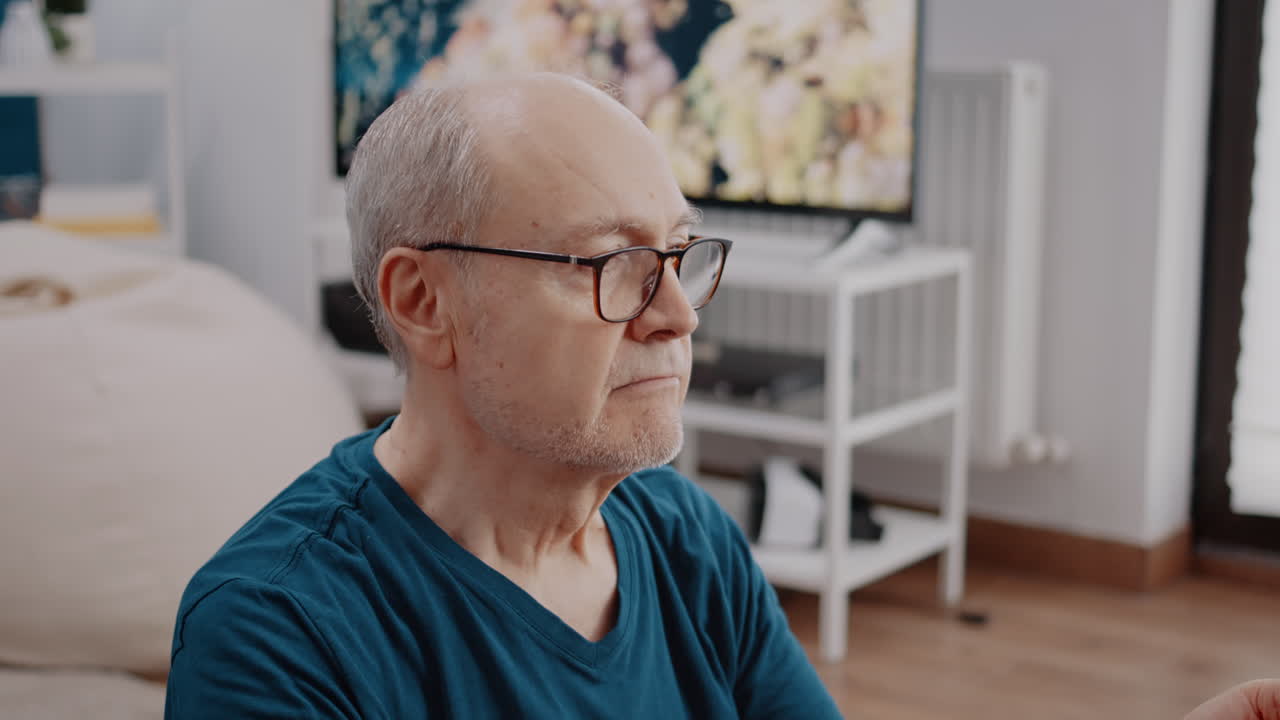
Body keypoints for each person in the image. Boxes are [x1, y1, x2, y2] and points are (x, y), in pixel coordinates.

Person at [164, 72, 843, 718]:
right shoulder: (277, 634)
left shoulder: (686, 537)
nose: (678, 315)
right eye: (612, 262)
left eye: (677, 251)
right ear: (425, 302)